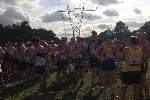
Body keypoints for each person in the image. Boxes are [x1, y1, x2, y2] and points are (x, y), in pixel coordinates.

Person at [120, 36, 144, 100]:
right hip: (137, 72)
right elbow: (141, 60)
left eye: (128, 41)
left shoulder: (126, 48)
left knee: (124, 89)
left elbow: (121, 58)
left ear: (130, 42)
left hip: (127, 72)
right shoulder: (140, 49)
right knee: (136, 90)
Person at [100, 35, 116, 99]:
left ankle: (112, 92)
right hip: (105, 62)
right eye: (108, 38)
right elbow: (96, 52)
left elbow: (116, 52)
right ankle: (105, 95)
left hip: (111, 62)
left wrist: (115, 56)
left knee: (111, 78)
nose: (109, 39)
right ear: (106, 39)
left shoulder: (113, 45)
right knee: (105, 79)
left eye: (110, 38)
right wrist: (100, 58)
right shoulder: (102, 45)